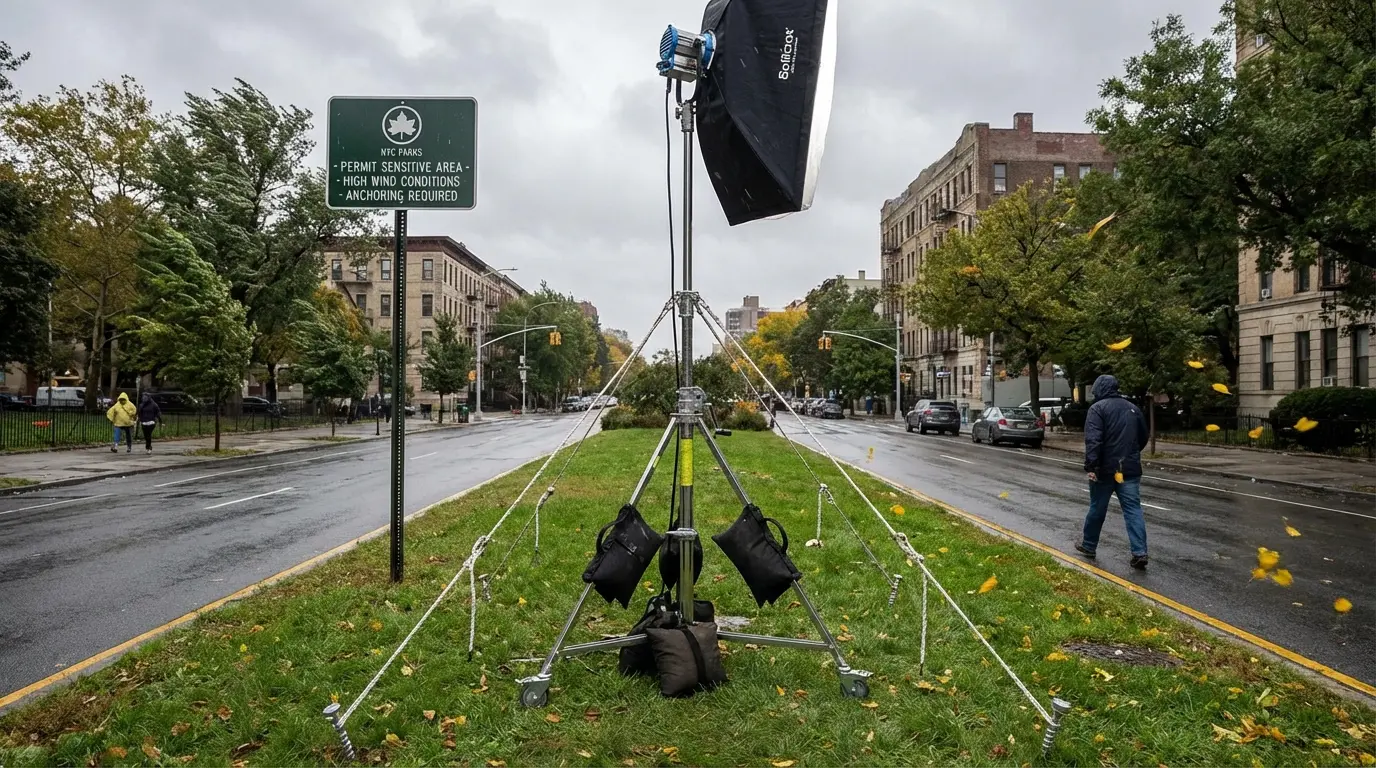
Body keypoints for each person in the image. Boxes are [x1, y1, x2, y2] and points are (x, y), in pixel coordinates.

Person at [1077, 374, 1151, 569]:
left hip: (1105, 469)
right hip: (1130, 468)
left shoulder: (1097, 409)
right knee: (1133, 510)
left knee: (1097, 508)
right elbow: (1143, 436)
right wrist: (1132, 452)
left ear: (1100, 390)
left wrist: (1092, 466)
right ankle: (1139, 552)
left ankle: (1089, 545)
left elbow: (1094, 440)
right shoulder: (1133, 408)